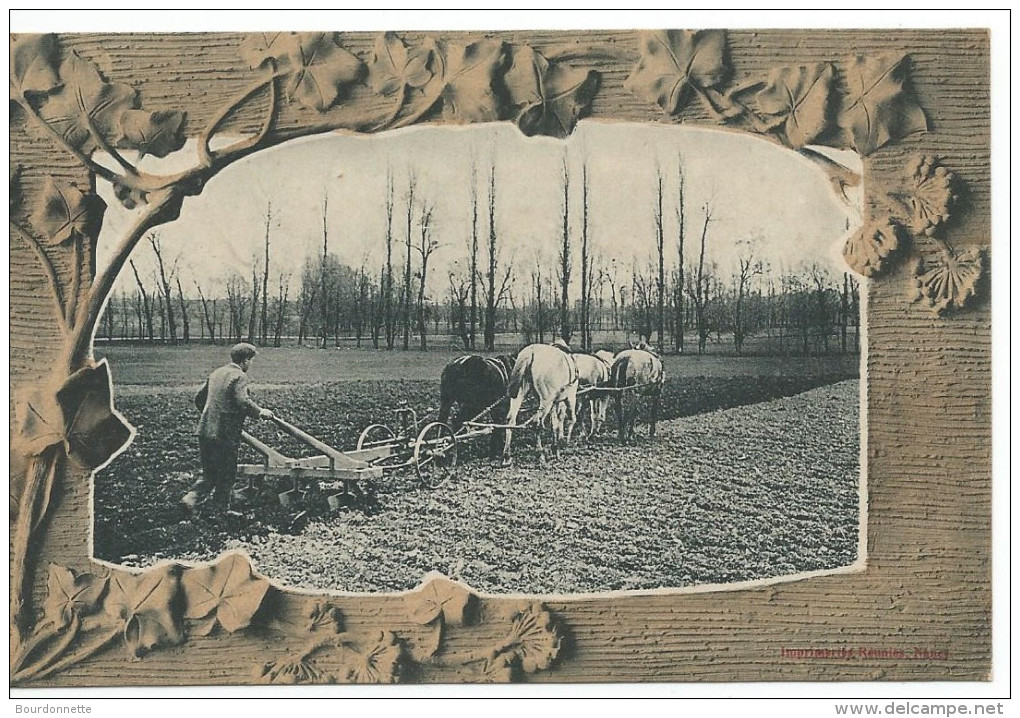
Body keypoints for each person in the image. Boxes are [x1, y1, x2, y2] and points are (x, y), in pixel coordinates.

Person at [182, 343, 274, 512]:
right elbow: (242, 401)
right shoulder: (239, 376)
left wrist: (212, 416)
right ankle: (221, 509)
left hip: (205, 430)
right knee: (226, 473)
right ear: (246, 360)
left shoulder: (217, 373)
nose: (251, 364)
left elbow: (199, 399)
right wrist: (260, 412)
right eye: (251, 360)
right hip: (225, 434)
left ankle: (191, 498)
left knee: (210, 472)